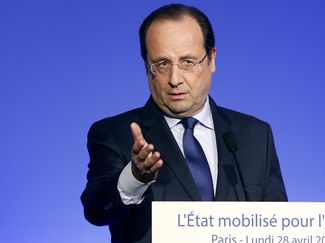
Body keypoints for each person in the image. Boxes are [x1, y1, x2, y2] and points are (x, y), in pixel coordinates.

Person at [81, 3, 287, 243]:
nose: (175, 79)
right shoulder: (114, 134)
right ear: (147, 68)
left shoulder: (255, 135)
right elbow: (96, 210)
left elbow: (278, 224)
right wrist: (135, 178)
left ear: (211, 59)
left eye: (187, 62)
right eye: (162, 64)